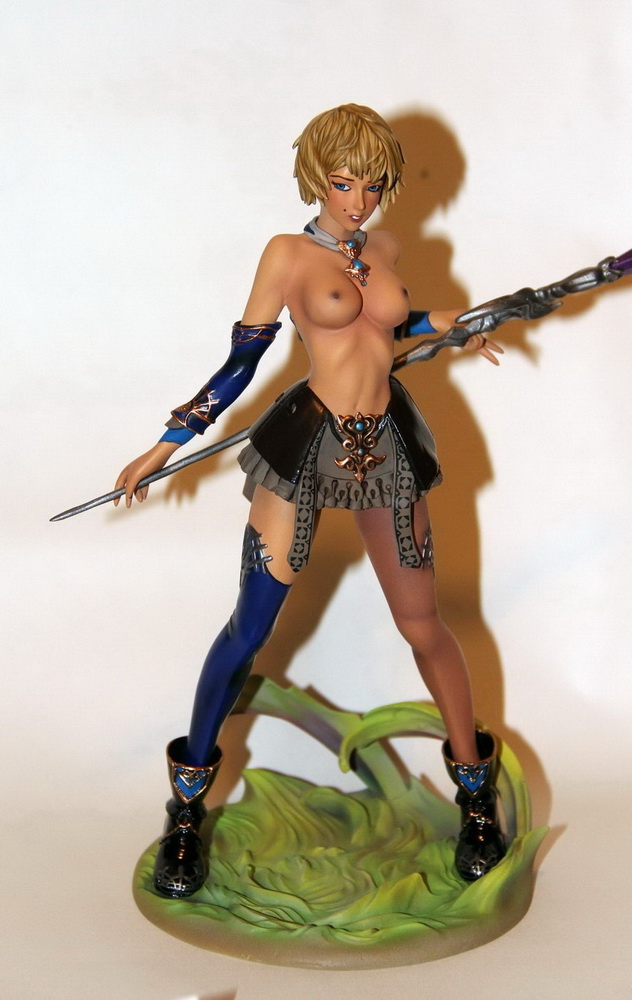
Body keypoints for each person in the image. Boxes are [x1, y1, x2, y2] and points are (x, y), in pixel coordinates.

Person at [115, 104, 506, 899]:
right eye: (343, 182)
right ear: (315, 178)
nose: (358, 201)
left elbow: (387, 329)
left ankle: (474, 796)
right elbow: (241, 361)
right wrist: (169, 440)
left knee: (423, 624)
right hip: (305, 444)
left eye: (372, 185)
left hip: (387, 447)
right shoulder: (287, 254)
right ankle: (186, 811)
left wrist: (446, 322)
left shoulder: (383, 249)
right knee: (249, 629)